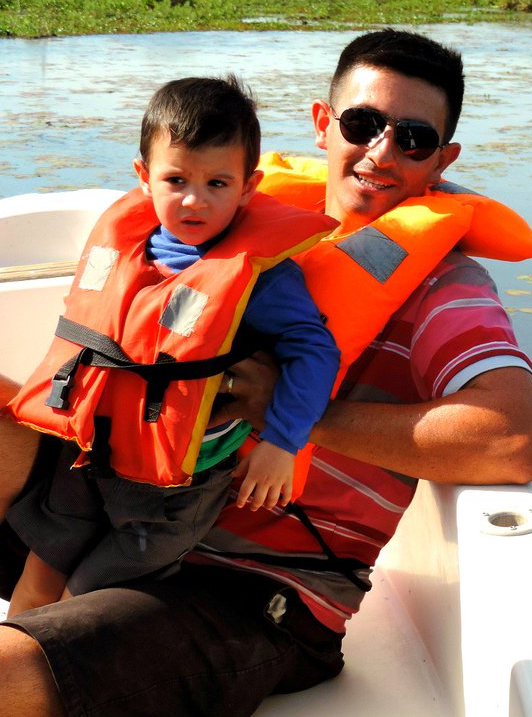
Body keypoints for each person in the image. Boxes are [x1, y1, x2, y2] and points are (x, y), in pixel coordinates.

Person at [0, 29, 532, 717]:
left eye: (412, 138)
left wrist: (288, 413)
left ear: (442, 158)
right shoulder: (234, 222)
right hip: (117, 493)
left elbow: (512, 439)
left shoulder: (446, 290)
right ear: (324, 124)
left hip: (251, 591)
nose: (381, 151)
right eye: (363, 123)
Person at [4, 75, 341, 616]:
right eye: (177, 179)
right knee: (37, 578)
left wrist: (283, 443)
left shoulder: (260, 278)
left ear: (248, 188)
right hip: (86, 457)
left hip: (173, 488)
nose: (193, 200)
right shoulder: (124, 251)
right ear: (144, 177)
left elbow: (315, 351)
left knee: (77, 600)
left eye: (217, 184)